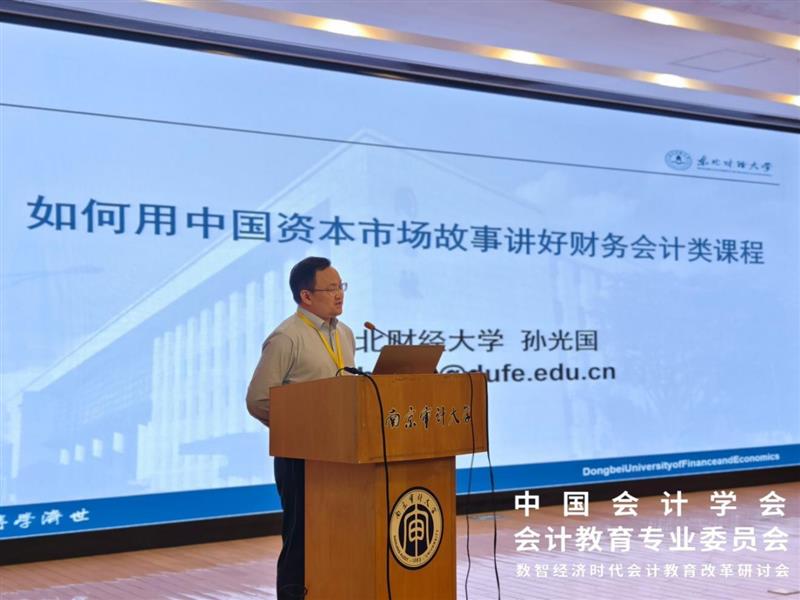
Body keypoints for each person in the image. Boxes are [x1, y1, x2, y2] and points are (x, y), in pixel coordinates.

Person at [246, 256, 356, 600]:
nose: (339, 294)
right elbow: (258, 400)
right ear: (306, 296)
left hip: (342, 454)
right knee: (301, 540)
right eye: (331, 288)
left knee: (339, 535)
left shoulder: (345, 333)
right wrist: (300, 429)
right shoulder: (286, 337)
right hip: (300, 458)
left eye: (341, 286)